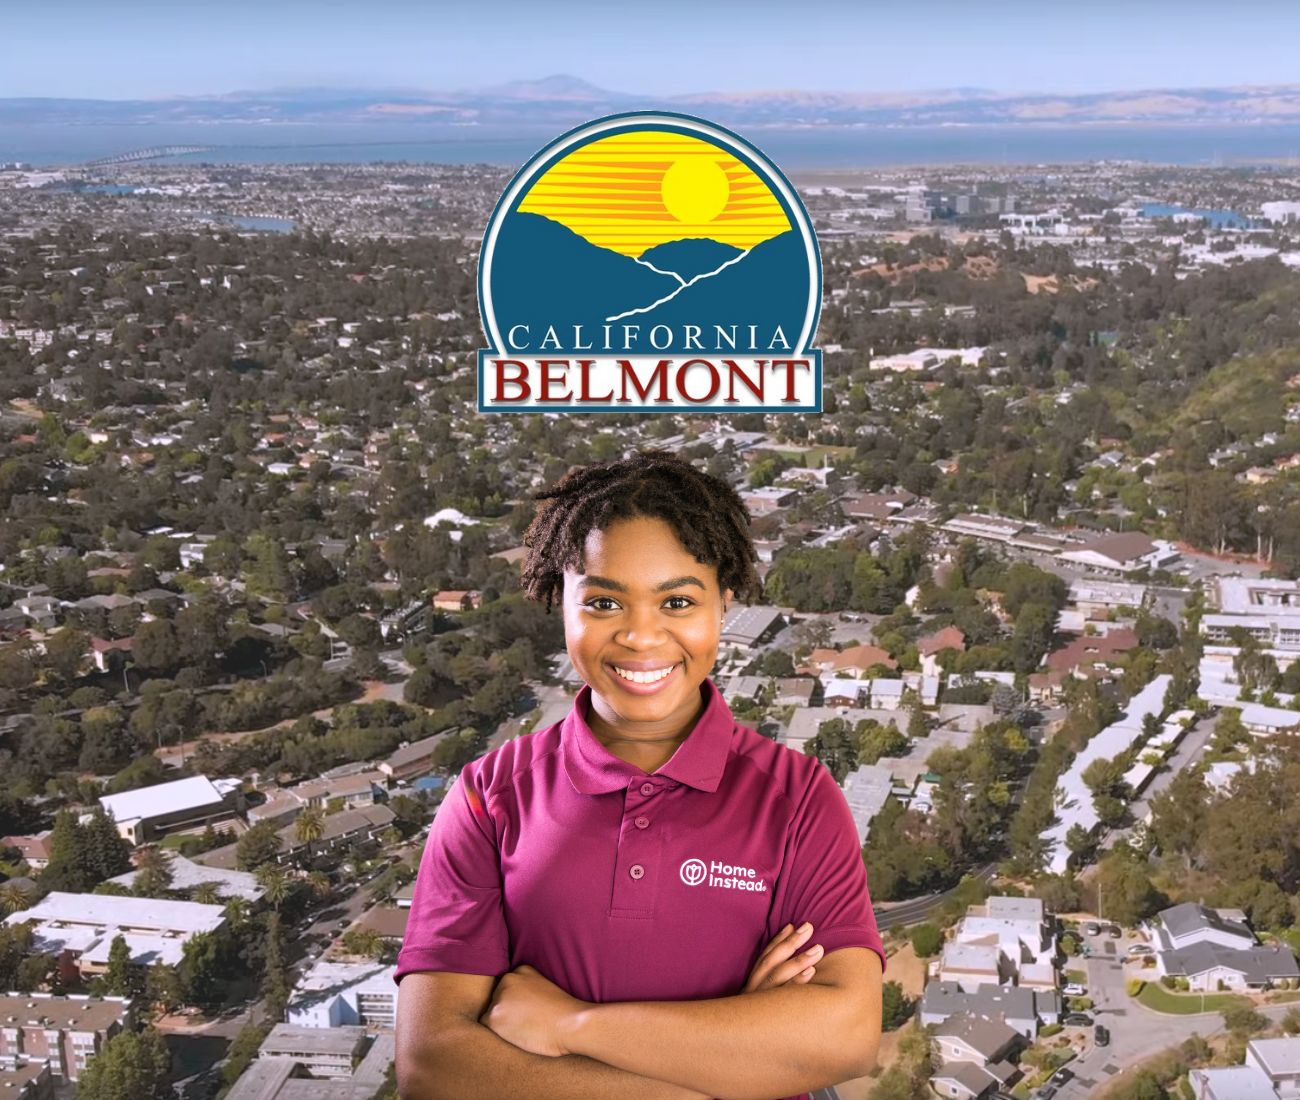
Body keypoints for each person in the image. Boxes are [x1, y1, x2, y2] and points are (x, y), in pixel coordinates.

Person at [395, 450, 884, 1100]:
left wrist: (569, 1025)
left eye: (677, 601)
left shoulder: (796, 799)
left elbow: (844, 1036)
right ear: (558, 601)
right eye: (603, 603)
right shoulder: (492, 795)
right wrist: (738, 1060)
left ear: (723, 605)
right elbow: (433, 1068)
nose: (641, 636)